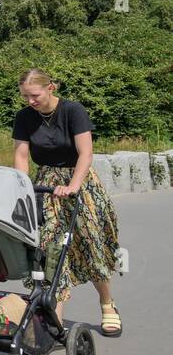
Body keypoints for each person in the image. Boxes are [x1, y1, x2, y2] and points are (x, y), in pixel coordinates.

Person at [12, 68, 122, 337]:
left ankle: (107, 302)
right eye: (25, 96)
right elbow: (21, 156)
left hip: (78, 181)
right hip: (46, 184)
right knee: (48, 249)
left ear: (51, 88)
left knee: (90, 242)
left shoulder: (73, 111)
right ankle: (53, 319)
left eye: (34, 95)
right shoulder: (24, 117)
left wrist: (73, 185)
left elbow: (86, 153)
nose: (30, 101)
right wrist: (22, 187)